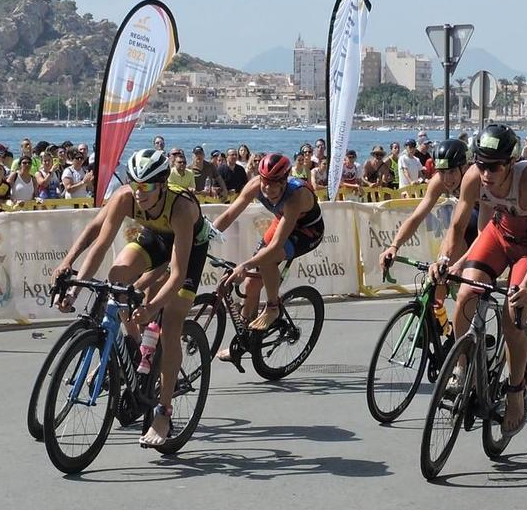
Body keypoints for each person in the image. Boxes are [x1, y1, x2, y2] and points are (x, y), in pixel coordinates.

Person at [51, 144, 208, 449]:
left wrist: (151, 308)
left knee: (171, 325)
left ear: (161, 185)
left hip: (187, 249)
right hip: (154, 237)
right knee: (117, 275)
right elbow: (100, 241)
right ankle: (134, 346)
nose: (139, 192)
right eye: (135, 184)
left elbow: (177, 274)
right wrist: (74, 284)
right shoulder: (126, 196)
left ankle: (163, 412)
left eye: (147, 186)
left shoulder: (181, 208)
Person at [433, 125, 527, 434]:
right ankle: (462, 370)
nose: (486, 172)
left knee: (512, 322)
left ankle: (515, 392)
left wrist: (526, 289)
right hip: (498, 236)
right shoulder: (474, 176)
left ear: (511, 162)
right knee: (464, 296)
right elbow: (457, 228)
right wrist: (446, 261)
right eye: (480, 163)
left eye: (494, 166)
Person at [210, 151, 326, 365]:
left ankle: (273, 307)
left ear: (284, 182)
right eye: (265, 182)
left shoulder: (295, 196)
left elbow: (274, 248)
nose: (268, 189)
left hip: (308, 231)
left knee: (267, 259)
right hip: (283, 222)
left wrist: (245, 264)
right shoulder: (256, 184)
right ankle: (243, 340)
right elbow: (229, 215)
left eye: (274, 184)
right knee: (250, 286)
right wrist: (203, 237)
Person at [378, 137, 471, 271]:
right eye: (442, 172)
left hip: (487, 218)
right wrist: (394, 246)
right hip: (466, 219)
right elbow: (416, 218)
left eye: (452, 171)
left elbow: (467, 228)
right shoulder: (438, 182)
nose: (447, 179)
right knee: (439, 271)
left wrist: (460, 263)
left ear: (464, 168)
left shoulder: (475, 179)